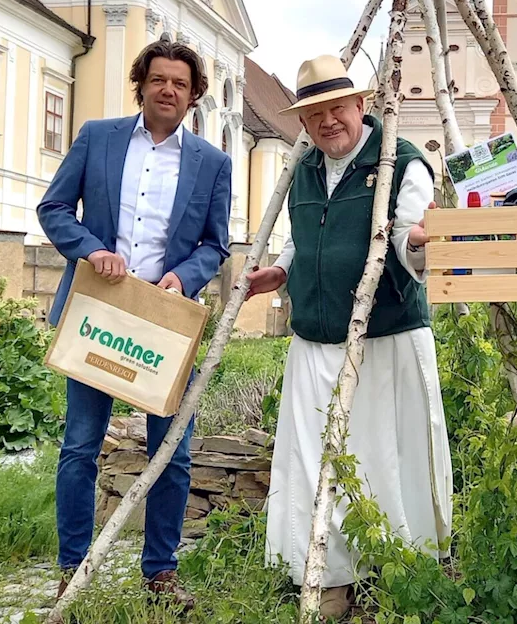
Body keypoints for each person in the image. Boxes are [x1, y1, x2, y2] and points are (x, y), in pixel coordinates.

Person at [245, 54, 452, 619]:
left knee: (389, 458)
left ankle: (403, 571)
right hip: (314, 341)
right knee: (316, 460)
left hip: (384, 342)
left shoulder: (401, 164)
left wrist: (420, 242)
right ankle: (328, 575)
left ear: (361, 105)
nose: (328, 121)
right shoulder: (304, 169)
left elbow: (413, 249)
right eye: (314, 113)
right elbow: (301, 237)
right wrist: (281, 272)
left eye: (337, 107)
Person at [37, 39, 233, 607]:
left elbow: (215, 244)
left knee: (169, 451)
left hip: (164, 319)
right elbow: (53, 210)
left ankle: (161, 575)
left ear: (194, 96)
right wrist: (92, 250)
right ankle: (71, 569)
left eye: (179, 83)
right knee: (80, 446)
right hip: (97, 311)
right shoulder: (98, 137)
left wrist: (182, 277)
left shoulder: (213, 163)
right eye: (158, 80)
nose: (168, 89)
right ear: (141, 85)